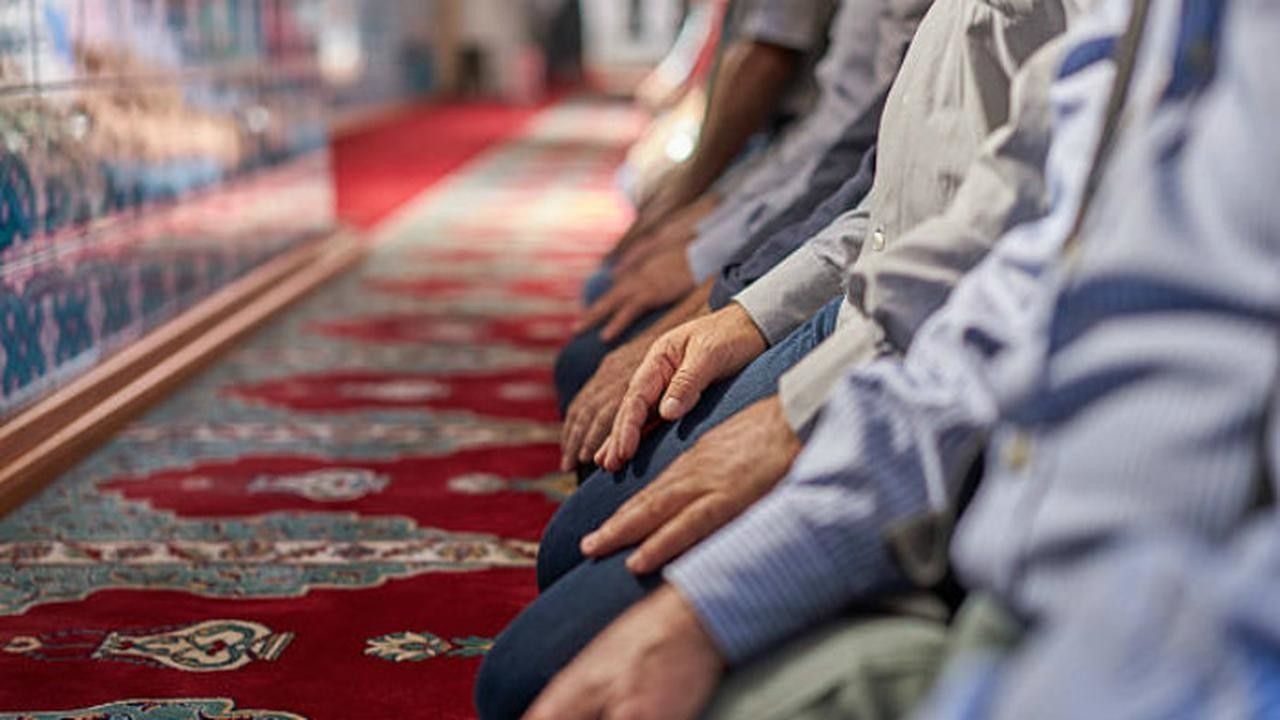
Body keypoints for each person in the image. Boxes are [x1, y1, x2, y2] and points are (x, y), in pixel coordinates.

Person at [507, 0, 1280, 718]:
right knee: (555, 630)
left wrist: (792, 402)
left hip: (1122, 613)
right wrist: (720, 596)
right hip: (931, 381)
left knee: (538, 664)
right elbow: (966, 221)